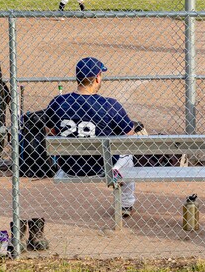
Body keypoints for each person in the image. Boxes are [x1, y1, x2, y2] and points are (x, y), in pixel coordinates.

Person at [46, 57, 137, 217]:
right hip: (103, 168)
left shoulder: (58, 102)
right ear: (96, 78)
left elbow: (51, 131)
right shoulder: (110, 105)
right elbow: (128, 134)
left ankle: (124, 202)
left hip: (69, 167)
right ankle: (125, 204)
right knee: (127, 155)